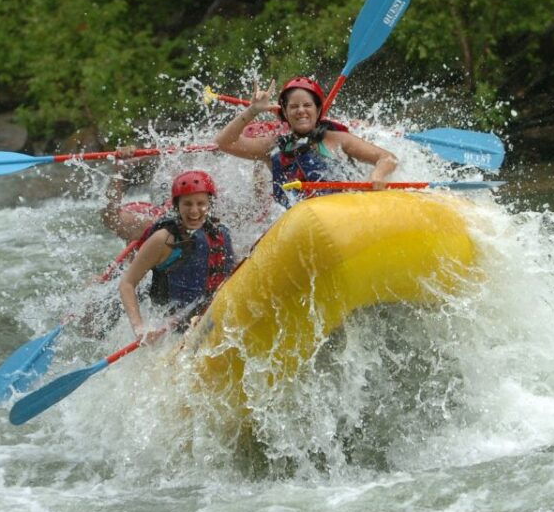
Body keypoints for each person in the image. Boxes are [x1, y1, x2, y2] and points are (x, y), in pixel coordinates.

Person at [214, 77, 398, 206]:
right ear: (284, 113)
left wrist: (378, 176)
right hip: (298, 225)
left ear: (318, 110)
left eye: (307, 105)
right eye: (293, 106)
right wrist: (253, 111)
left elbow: (388, 157)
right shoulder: (272, 146)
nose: (301, 110)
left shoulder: (338, 140)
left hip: (340, 215)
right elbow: (224, 143)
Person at [118, 170, 235, 339]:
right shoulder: (163, 239)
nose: (194, 211)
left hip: (209, 317)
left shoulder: (220, 234)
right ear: (177, 206)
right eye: (187, 204)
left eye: (201, 203)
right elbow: (127, 284)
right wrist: (140, 329)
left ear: (210, 204)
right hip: (174, 331)